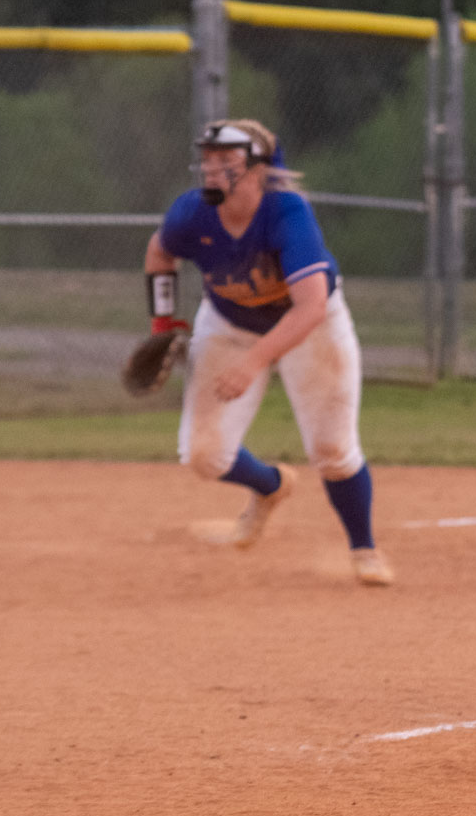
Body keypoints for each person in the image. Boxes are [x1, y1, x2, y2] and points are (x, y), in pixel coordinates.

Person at [143, 119, 394, 587]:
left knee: (333, 450)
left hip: (311, 324)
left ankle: (364, 548)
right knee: (202, 456)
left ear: (257, 169)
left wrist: (254, 362)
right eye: (208, 159)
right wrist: (164, 325)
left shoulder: (287, 213)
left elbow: (310, 306)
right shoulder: (191, 212)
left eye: (226, 161)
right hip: (229, 322)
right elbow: (160, 252)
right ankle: (271, 486)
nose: (211, 169)